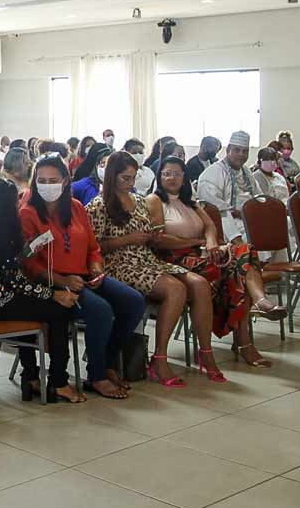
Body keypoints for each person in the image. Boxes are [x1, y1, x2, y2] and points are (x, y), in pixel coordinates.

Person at [87, 152, 220, 386]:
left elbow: (149, 236)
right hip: (120, 264)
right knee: (176, 289)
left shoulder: (138, 200)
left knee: (199, 284)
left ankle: (206, 352)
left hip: (145, 258)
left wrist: (152, 237)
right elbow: (94, 247)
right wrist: (127, 239)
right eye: (125, 178)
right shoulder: (99, 205)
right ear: (112, 177)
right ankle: (160, 357)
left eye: (133, 178)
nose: (130, 183)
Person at [25, 155, 145, 398]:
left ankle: (107, 359)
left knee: (134, 301)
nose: (47, 185)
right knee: (100, 310)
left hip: (86, 276)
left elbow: (93, 247)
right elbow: (28, 264)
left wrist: (97, 267)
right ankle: (97, 375)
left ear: (66, 180)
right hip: (52, 282)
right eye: (42, 180)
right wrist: (61, 280)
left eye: (53, 180)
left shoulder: (76, 208)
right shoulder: (28, 213)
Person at [0, 179, 82, 402]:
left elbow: (1, 270)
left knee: (28, 308)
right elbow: (17, 282)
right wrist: (55, 294)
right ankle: (58, 381)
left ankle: (31, 377)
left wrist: (25, 254)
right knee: (60, 311)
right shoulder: (1, 236)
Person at [149, 156, 279, 368]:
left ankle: (260, 300)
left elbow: (210, 226)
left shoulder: (189, 201)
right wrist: (198, 241)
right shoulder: (155, 200)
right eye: (167, 174)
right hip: (174, 258)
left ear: (184, 177)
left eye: (177, 174)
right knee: (238, 274)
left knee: (245, 253)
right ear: (160, 177)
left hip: (202, 254)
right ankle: (244, 340)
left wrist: (211, 243)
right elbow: (159, 239)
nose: (172, 178)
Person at [198, 131, 262, 246]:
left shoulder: (247, 172)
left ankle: (281, 263)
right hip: (228, 222)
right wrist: (240, 213)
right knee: (256, 235)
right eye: (237, 150)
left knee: (278, 229)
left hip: (251, 218)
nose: (241, 155)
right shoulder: (213, 172)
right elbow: (212, 207)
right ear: (228, 150)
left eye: (245, 151)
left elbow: (259, 197)